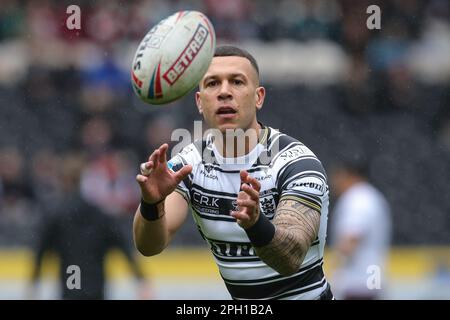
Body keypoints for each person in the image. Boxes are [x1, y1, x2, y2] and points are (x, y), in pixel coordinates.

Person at [133, 46, 333, 300]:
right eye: (213, 83)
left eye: (237, 82)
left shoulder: (295, 163)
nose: (224, 92)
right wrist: (151, 204)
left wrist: (255, 224)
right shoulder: (188, 164)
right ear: (199, 101)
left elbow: (290, 258)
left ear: (259, 97)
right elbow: (149, 246)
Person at [30, 153, 153, 300]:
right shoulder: (100, 216)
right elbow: (124, 247)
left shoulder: (57, 217)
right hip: (96, 288)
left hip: (70, 287)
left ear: (64, 180)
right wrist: (140, 280)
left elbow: (41, 252)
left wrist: (33, 284)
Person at [329, 154, 391, 300]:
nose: (334, 182)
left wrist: (332, 268)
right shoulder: (372, 196)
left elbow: (350, 240)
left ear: (347, 175)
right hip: (371, 278)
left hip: (358, 283)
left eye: (337, 176)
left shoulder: (357, 200)